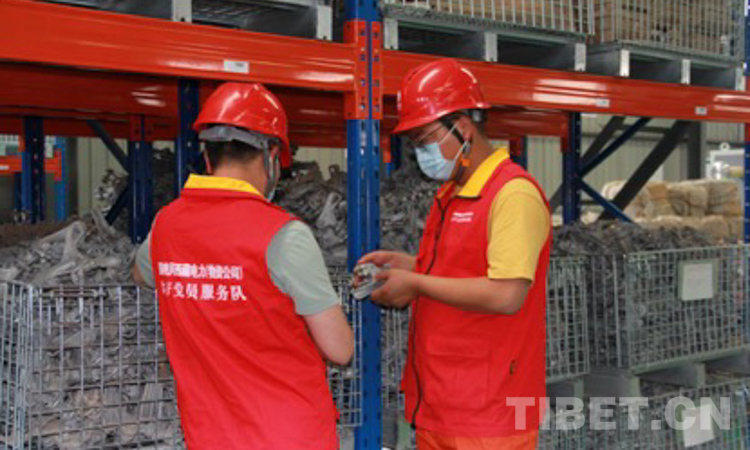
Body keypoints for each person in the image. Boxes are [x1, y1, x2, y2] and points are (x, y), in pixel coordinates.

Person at [133, 82, 354, 450]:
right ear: (271, 155)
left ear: (208, 158)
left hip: (208, 434)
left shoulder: (165, 225)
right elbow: (340, 349)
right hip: (289, 435)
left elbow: (142, 274)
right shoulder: (284, 235)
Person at [360, 59, 551, 450]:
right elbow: (460, 269)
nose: (420, 153)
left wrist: (416, 283)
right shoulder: (452, 193)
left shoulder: (512, 194)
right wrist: (409, 266)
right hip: (442, 403)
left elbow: (507, 293)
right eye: (415, 143)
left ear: (463, 127)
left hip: (490, 414)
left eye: (425, 140)